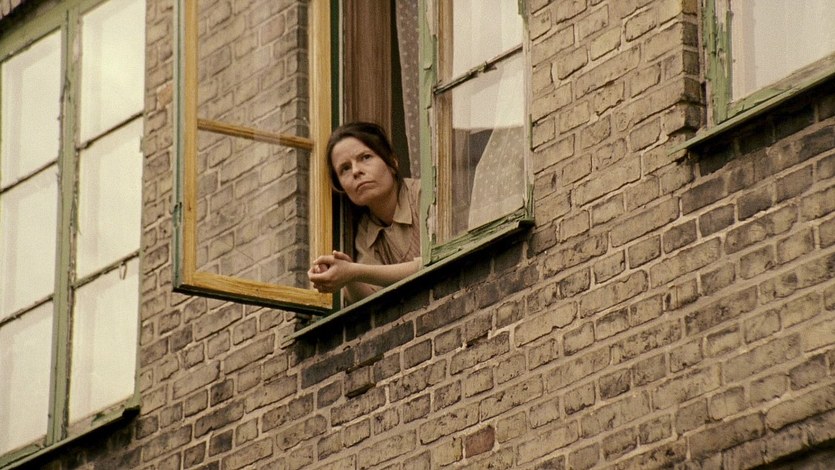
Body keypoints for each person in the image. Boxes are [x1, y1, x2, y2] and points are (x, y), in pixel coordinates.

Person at [308, 122, 420, 304]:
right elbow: (372, 299)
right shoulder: (366, 230)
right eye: (345, 168)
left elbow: (431, 262)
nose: (356, 171)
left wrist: (354, 271)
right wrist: (347, 278)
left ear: (392, 162)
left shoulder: (422, 196)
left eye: (366, 157)